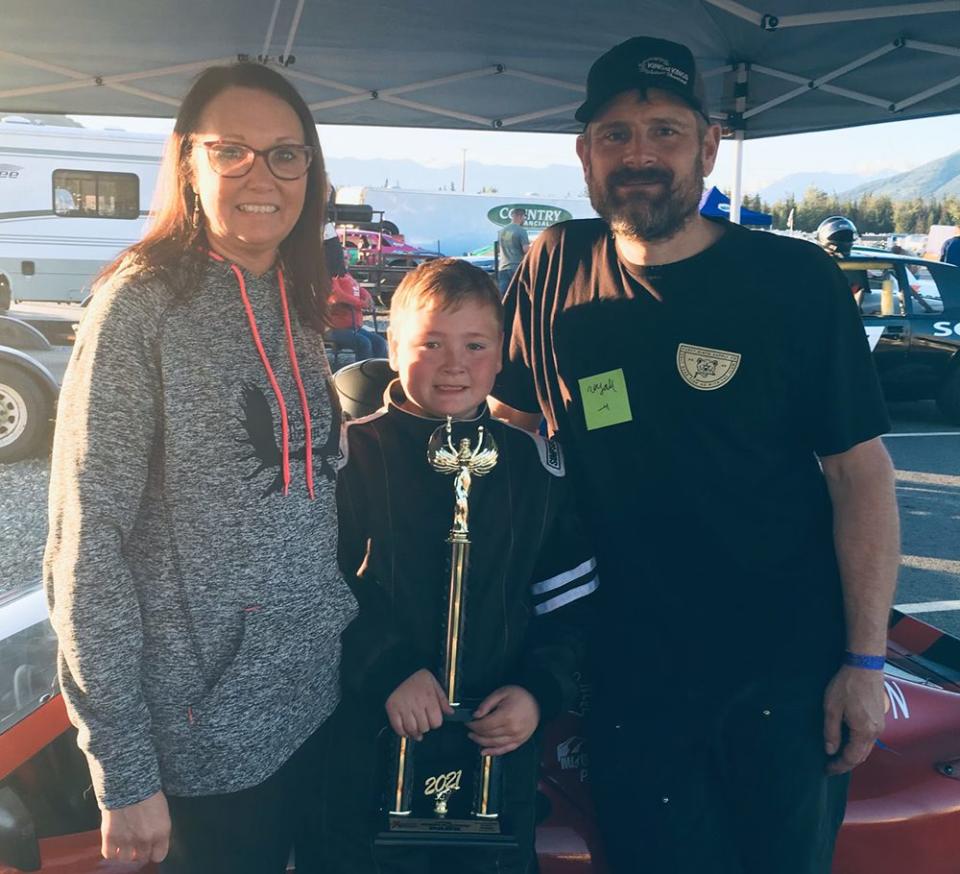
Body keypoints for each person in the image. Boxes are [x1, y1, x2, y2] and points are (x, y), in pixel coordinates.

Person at [489, 35, 900, 874]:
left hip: (784, 672)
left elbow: (860, 474)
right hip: (627, 673)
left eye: (665, 131)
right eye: (616, 135)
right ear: (584, 154)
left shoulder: (793, 281)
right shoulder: (554, 265)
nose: (639, 154)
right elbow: (506, 438)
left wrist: (863, 660)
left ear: (708, 145)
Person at [44, 62, 357, 873]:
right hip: (201, 747)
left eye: (286, 154)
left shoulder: (298, 297)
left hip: (313, 709)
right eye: (233, 152)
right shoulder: (139, 306)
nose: (264, 175)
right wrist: (123, 768)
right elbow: (85, 545)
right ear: (188, 162)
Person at [328, 258, 597, 873]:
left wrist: (537, 692)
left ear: (501, 353)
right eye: (430, 343)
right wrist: (388, 667)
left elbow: (570, 604)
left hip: (499, 744)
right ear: (392, 347)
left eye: (475, 345)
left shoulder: (536, 467)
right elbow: (317, 586)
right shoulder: (349, 456)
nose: (455, 364)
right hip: (369, 741)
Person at [325, 271, 388, 360]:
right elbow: (336, 296)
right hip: (334, 329)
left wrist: (367, 297)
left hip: (354, 327)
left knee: (379, 342)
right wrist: (361, 303)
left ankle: (379, 370)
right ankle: (362, 372)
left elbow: (358, 288)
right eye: (343, 257)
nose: (346, 258)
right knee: (364, 343)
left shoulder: (347, 275)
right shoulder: (331, 276)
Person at [497, 207, 530, 294]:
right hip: (516, 267)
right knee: (519, 295)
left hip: (503, 267)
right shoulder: (521, 231)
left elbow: (501, 248)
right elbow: (526, 250)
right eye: (524, 217)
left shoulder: (502, 231)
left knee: (503, 295)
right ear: (521, 216)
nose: (524, 220)